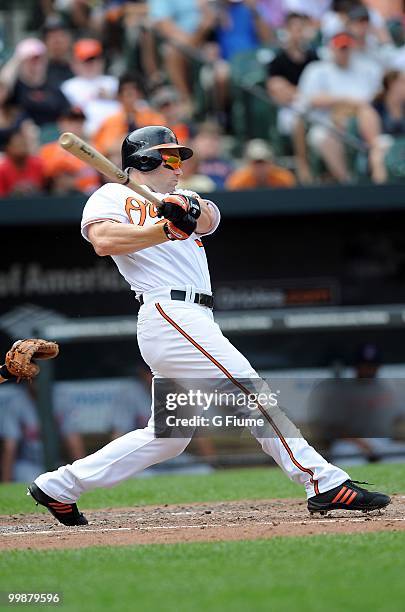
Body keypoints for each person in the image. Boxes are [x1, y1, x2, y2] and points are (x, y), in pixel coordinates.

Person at [27, 124, 390, 526]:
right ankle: (321, 482)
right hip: (169, 312)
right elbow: (104, 240)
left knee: (166, 437)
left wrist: (185, 210)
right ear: (145, 159)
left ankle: (58, 486)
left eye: (181, 157)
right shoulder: (111, 194)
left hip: (193, 317)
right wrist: (161, 228)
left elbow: (209, 218)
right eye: (171, 157)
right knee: (253, 393)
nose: (180, 165)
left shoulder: (184, 195)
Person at [294, 30, 381, 183]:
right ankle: (348, 181)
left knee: (379, 136)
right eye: (341, 48)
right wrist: (344, 101)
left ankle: (377, 172)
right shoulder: (317, 70)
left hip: (360, 123)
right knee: (321, 137)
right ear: (331, 49)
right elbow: (309, 101)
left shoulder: (365, 69)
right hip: (328, 124)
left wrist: (350, 106)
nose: (344, 52)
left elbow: (374, 97)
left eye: (347, 48)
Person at [267, 12, 318, 139]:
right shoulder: (278, 60)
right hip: (288, 109)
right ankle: (301, 159)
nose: (298, 34)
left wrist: (294, 91)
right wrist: (307, 95)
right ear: (287, 31)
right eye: (294, 29)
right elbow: (279, 93)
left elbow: (323, 88)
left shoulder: (314, 57)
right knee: (297, 121)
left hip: (314, 107)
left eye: (301, 29)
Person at [92, 73, 165, 155]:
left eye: (134, 91)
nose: (130, 95)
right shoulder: (111, 121)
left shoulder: (152, 117)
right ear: (119, 96)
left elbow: (162, 140)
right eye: (126, 92)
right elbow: (107, 147)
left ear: (140, 94)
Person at [61, 38, 119, 136]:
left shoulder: (113, 82)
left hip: (117, 133)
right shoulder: (68, 87)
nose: (89, 64)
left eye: (93, 59)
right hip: (87, 137)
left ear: (101, 61)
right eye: (85, 61)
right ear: (75, 63)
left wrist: (112, 96)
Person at [40, 106, 100, 195]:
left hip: (91, 195)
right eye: (71, 121)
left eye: (79, 121)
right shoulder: (48, 150)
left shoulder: (95, 149)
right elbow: (47, 178)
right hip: (59, 198)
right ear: (61, 123)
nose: (76, 125)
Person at [358, 70, 405, 183]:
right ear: (392, 85)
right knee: (378, 156)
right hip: (383, 148)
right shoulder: (372, 108)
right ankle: (382, 193)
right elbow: (373, 140)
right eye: (403, 82)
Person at [226, 139, 296, 189]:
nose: (260, 167)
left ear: (270, 162)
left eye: (263, 162)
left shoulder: (283, 178)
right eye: (256, 163)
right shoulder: (239, 181)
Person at [0, 128, 45, 197]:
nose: (23, 147)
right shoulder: (2, 170)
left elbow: (47, 190)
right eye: (18, 144)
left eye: (24, 144)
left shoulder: (39, 164)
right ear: (7, 148)